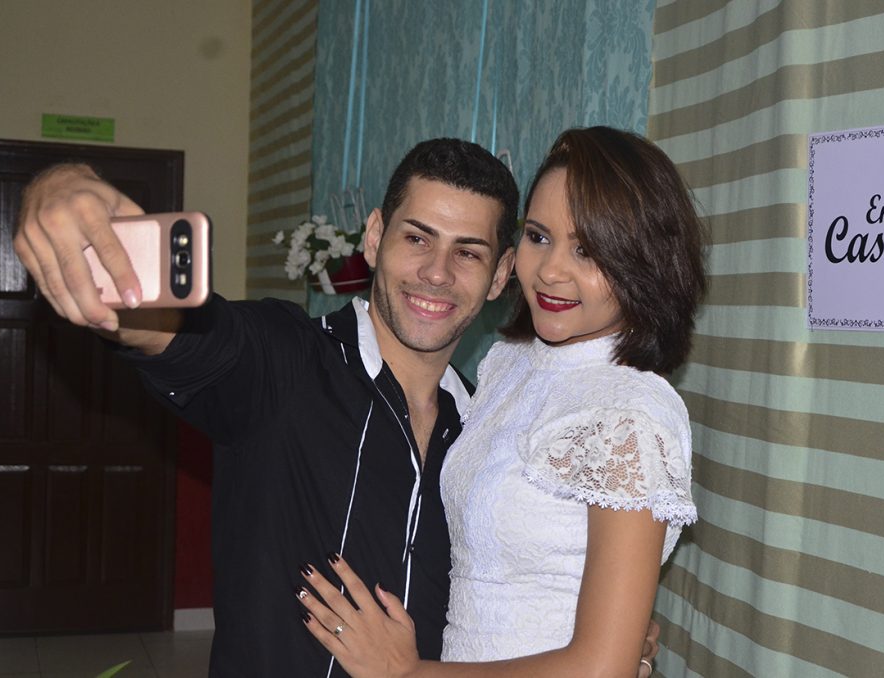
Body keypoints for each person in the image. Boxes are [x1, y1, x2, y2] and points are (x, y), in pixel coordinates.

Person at [14, 138, 660, 678]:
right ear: (374, 238)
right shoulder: (284, 361)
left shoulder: (485, 424)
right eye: (417, 238)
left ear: (499, 275)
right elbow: (174, 329)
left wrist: (595, 636)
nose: (437, 272)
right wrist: (63, 189)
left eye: (467, 252)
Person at [296, 126, 705, 678]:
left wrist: (407, 673)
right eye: (539, 236)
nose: (551, 270)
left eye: (586, 249)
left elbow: (601, 668)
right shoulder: (510, 363)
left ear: (644, 262)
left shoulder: (629, 413)